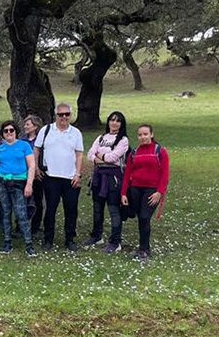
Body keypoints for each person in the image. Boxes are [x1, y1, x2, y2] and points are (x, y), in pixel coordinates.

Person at [33, 103, 84, 252]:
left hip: (70, 177)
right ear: (56, 115)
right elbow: (36, 149)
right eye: (61, 114)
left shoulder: (76, 133)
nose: (64, 117)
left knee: (71, 210)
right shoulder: (46, 130)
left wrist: (78, 174)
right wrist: (36, 167)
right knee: (50, 209)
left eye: (67, 114)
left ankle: (70, 239)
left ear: (70, 115)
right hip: (51, 176)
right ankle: (48, 239)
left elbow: (79, 154)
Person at [0, 121, 36, 256]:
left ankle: (29, 244)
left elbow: (31, 165)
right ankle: (7, 241)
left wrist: (29, 184)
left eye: (11, 130)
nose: (9, 133)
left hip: (19, 183)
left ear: (16, 131)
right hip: (1, 183)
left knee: (21, 213)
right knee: (5, 212)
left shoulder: (24, 146)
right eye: (5, 131)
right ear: (2, 134)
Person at [120, 124, 170, 262]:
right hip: (136, 188)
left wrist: (159, 192)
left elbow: (165, 174)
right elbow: (127, 173)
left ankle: (144, 249)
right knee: (140, 218)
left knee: (144, 217)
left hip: (152, 190)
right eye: (140, 135)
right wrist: (123, 193)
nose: (143, 137)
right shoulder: (134, 152)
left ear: (151, 135)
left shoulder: (160, 151)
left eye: (145, 134)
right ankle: (142, 248)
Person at [83, 111, 130, 251]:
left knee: (113, 209)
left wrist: (99, 155)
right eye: (112, 120)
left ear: (121, 124)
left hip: (113, 179)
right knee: (97, 208)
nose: (114, 123)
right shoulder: (101, 137)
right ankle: (96, 236)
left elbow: (112, 158)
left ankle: (115, 242)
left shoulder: (123, 140)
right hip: (98, 177)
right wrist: (101, 157)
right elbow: (90, 155)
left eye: (118, 121)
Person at [22, 115, 46, 236]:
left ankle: (35, 227)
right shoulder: (21, 141)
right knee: (22, 201)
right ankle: (21, 225)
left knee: (37, 201)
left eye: (28, 124)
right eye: (25, 124)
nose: (25, 126)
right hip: (23, 175)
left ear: (35, 126)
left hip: (37, 176)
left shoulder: (41, 141)